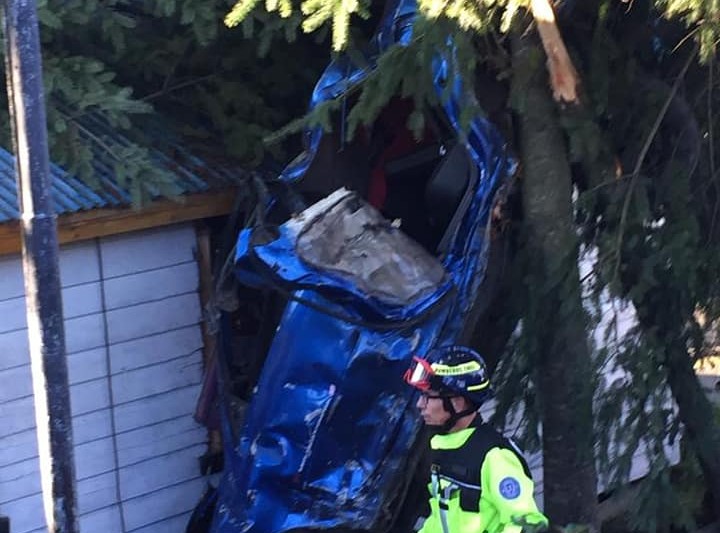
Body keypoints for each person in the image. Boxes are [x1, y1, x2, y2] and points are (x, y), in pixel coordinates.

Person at [403, 345, 548, 533]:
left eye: (428, 397)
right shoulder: (445, 447)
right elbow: (442, 519)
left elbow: (528, 524)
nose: (420, 404)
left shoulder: (495, 457)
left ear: (457, 402)